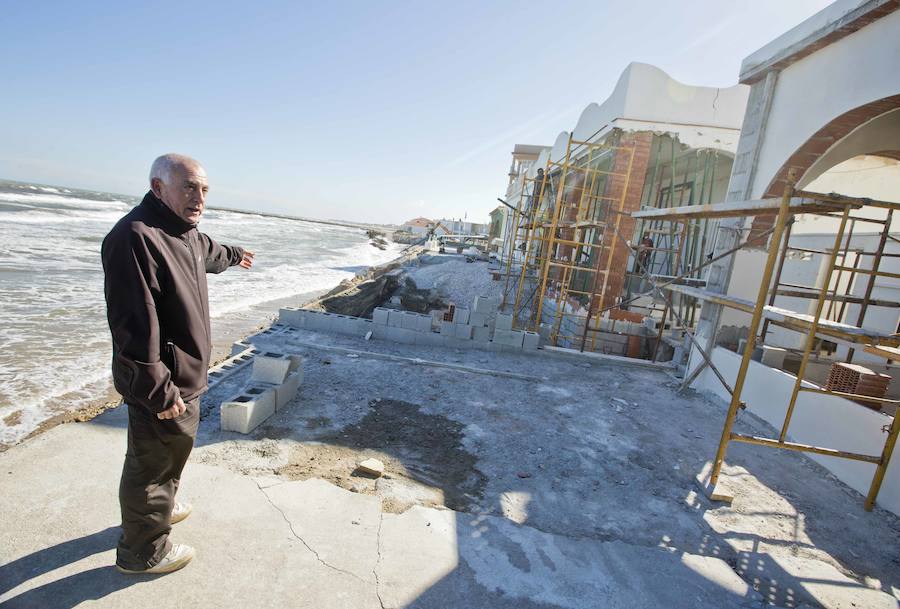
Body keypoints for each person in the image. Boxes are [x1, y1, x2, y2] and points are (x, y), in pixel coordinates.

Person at [101, 154, 254, 574]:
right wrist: (158, 388)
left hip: (184, 378)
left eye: (204, 189)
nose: (199, 197)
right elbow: (133, 323)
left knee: (169, 458)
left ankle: (158, 511)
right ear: (158, 187)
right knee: (151, 465)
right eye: (189, 187)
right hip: (164, 384)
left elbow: (210, 252)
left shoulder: (184, 233)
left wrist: (236, 254)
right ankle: (143, 552)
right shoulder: (135, 237)